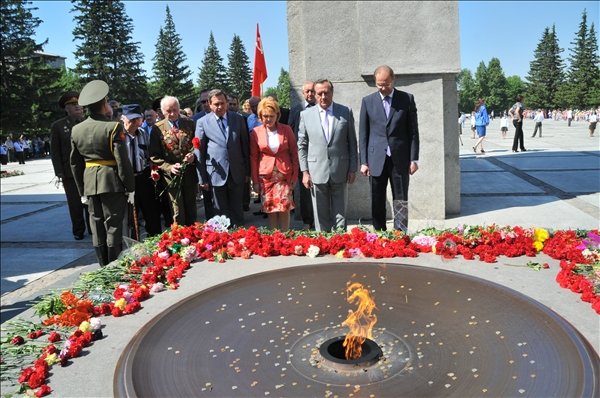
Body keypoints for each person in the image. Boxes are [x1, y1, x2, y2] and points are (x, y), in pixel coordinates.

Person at [70, 80, 135, 266]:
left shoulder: (76, 129)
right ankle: (114, 265)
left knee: (97, 226)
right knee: (113, 225)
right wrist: (130, 187)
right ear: (104, 103)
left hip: (90, 182)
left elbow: (75, 163)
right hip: (111, 181)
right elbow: (122, 161)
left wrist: (82, 190)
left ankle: (103, 265)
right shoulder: (113, 127)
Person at [358, 65, 419, 232]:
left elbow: (413, 132)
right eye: (379, 84)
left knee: (400, 199)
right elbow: (363, 134)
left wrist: (414, 159)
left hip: (400, 159)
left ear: (393, 80)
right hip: (375, 159)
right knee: (376, 199)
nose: (383, 88)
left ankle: (400, 233)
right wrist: (363, 161)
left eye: (386, 84)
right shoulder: (368, 101)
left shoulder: (406, 99)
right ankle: (379, 232)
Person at [298, 78, 358, 232]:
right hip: (316, 169)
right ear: (315, 95)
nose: (323, 97)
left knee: (340, 211)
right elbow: (302, 145)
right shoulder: (306, 115)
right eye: (320, 93)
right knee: (320, 212)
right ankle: (323, 240)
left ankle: (340, 239)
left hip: (340, 169)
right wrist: (304, 172)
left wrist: (352, 168)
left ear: (332, 93)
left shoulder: (345, 112)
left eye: (326, 93)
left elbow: (352, 142)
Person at [196, 89, 250, 228]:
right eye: (216, 104)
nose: (219, 107)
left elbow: (245, 145)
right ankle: (223, 242)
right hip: (215, 173)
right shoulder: (202, 122)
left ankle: (240, 241)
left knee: (237, 211)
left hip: (236, 172)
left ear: (226, 103)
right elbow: (199, 152)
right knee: (220, 213)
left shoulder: (237, 119)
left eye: (222, 103)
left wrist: (247, 172)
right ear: (209, 104)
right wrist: (202, 178)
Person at [250, 97, 299, 231]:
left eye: (271, 116)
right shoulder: (256, 132)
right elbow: (253, 157)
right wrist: (255, 181)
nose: (268, 119)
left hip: (284, 175)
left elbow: (294, 153)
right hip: (266, 176)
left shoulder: (286, 129)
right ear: (260, 116)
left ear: (277, 115)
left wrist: (295, 176)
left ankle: (285, 237)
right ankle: (274, 239)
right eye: (265, 116)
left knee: (284, 207)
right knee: (270, 208)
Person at [149, 96, 198, 226]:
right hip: (171, 177)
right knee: (177, 210)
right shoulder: (157, 128)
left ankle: (195, 237)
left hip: (189, 173)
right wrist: (169, 167)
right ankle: (180, 238)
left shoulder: (190, 123)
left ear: (179, 108)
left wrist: (193, 155)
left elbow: (196, 144)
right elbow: (154, 155)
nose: (172, 114)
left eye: (175, 110)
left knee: (191, 208)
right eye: (168, 111)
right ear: (162, 111)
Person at [50, 91, 89, 240]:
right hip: (70, 172)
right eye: (73, 105)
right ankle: (78, 230)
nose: (77, 106)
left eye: (79, 104)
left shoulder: (89, 122)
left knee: (90, 202)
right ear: (66, 108)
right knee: (75, 203)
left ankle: (93, 229)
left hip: (89, 169)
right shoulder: (58, 126)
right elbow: (55, 151)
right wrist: (59, 172)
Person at [121, 104, 163, 238]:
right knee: (131, 215)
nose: (134, 123)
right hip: (127, 179)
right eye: (131, 120)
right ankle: (134, 242)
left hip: (143, 177)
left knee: (151, 211)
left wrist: (153, 169)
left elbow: (150, 155)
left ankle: (156, 240)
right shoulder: (118, 135)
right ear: (123, 119)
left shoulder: (144, 133)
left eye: (137, 120)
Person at [288, 80, 317, 229]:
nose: (310, 94)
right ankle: (307, 221)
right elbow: (290, 133)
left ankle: (321, 220)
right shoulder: (296, 109)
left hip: (319, 156)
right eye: (307, 91)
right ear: (303, 93)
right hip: (302, 156)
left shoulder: (321, 107)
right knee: (305, 193)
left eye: (312, 91)